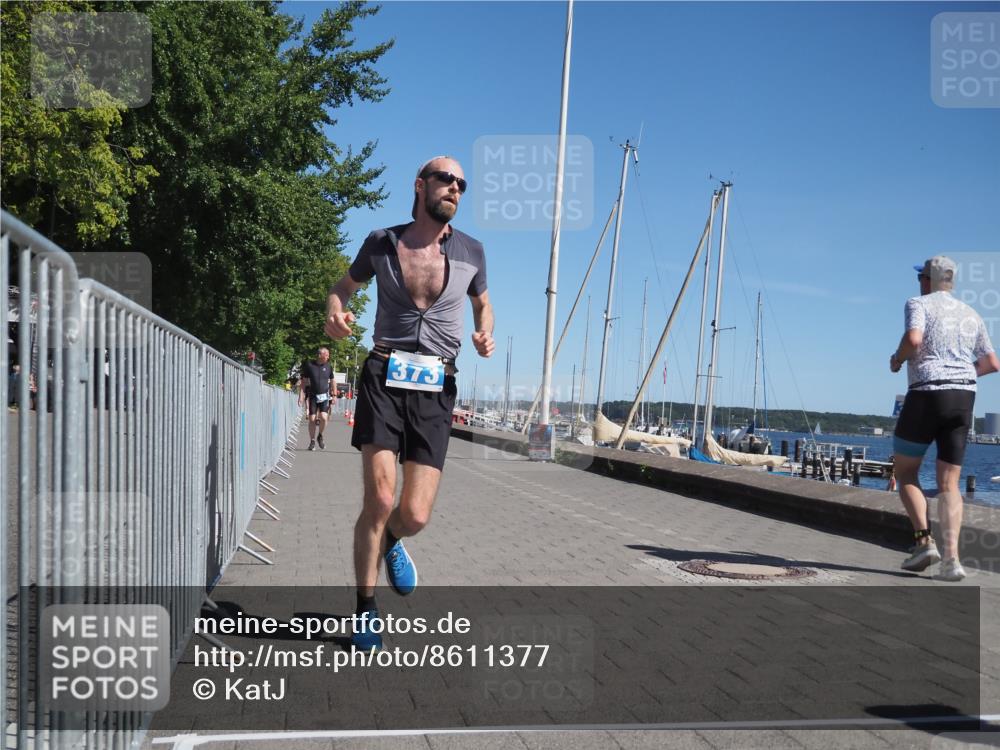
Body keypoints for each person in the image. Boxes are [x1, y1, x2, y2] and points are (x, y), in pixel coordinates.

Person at [325, 155, 494, 649]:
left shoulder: (473, 251)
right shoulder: (382, 241)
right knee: (378, 498)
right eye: (447, 180)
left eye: (462, 184)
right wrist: (335, 314)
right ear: (420, 185)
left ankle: (394, 540)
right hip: (383, 372)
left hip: (436, 384)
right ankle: (364, 607)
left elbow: (483, 303)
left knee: (414, 514)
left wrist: (485, 332)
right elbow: (342, 288)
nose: (456, 189)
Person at [890, 255, 998, 581]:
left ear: (928, 280)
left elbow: (914, 340)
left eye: (920, 277)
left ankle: (924, 542)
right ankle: (952, 562)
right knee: (949, 483)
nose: (918, 284)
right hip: (963, 397)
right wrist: (963, 375)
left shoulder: (918, 303)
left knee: (905, 471)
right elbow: (992, 362)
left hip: (926, 393)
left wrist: (896, 360)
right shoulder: (971, 313)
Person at [298, 347, 335, 451]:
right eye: (326, 355)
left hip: (324, 396)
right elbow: (304, 381)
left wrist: (335, 394)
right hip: (313, 395)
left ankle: (320, 435)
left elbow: (332, 381)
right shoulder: (310, 365)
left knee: (323, 417)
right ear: (320, 355)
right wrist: (301, 395)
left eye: (328, 355)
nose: (328, 356)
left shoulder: (328, 366)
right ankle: (312, 441)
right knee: (312, 419)